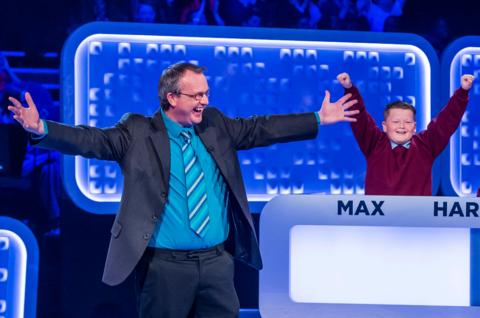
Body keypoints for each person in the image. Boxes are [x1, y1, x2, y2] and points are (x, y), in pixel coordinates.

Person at [8, 62, 359, 318]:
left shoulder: (215, 126)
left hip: (217, 263)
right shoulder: (138, 131)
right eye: (198, 94)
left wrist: (316, 118)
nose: (205, 100)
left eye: (207, 93)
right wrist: (42, 128)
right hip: (164, 268)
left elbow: (260, 128)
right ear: (172, 97)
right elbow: (92, 141)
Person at [337, 72, 474, 196]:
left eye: (407, 122)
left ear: (414, 127)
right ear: (384, 126)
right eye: (396, 121)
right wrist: (350, 89)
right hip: (378, 221)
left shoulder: (426, 145)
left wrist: (462, 92)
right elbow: (360, 119)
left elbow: (446, 121)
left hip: (416, 220)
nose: (401, 126)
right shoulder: (374, 143)